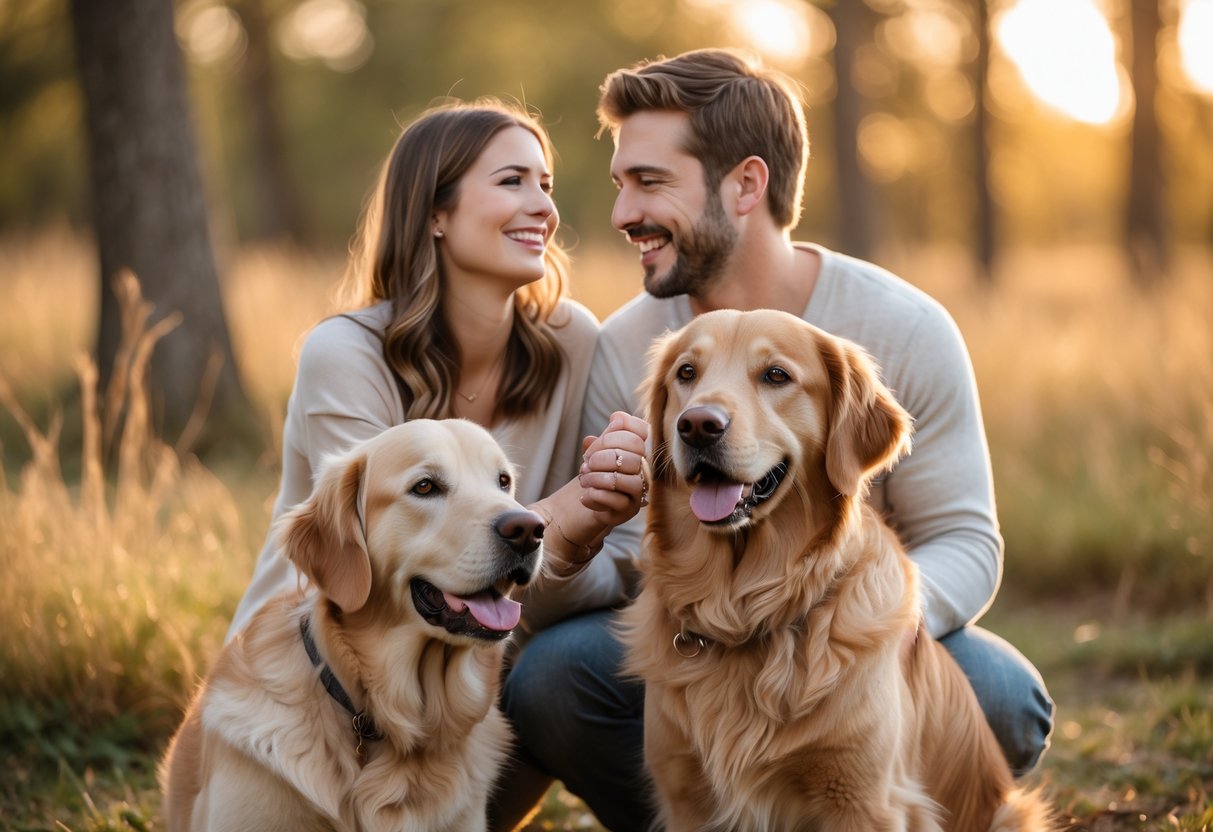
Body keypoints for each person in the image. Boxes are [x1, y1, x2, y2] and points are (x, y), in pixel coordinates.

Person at [497, 49, 1054, 831]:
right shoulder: (629, 350)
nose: (622, 213)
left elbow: (963, 538)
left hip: (856, 632)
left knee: (1000, 694)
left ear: (745, 185)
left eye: (650, 182)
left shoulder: (903, 328)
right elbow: (623, 566)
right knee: (551, 679)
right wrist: (574, 538)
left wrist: (847, 636)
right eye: (622, 183)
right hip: (698, 638)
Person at [227, 100, 649, 672]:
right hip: (319, 673)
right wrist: (564, 514)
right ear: (435, 213)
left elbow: (560, 581)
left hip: (480, 678)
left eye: (545, 184)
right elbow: (366, 586)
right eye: (512, 181)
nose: (545, 208)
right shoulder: (346, 355)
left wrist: (590, 519)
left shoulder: (572, 338)